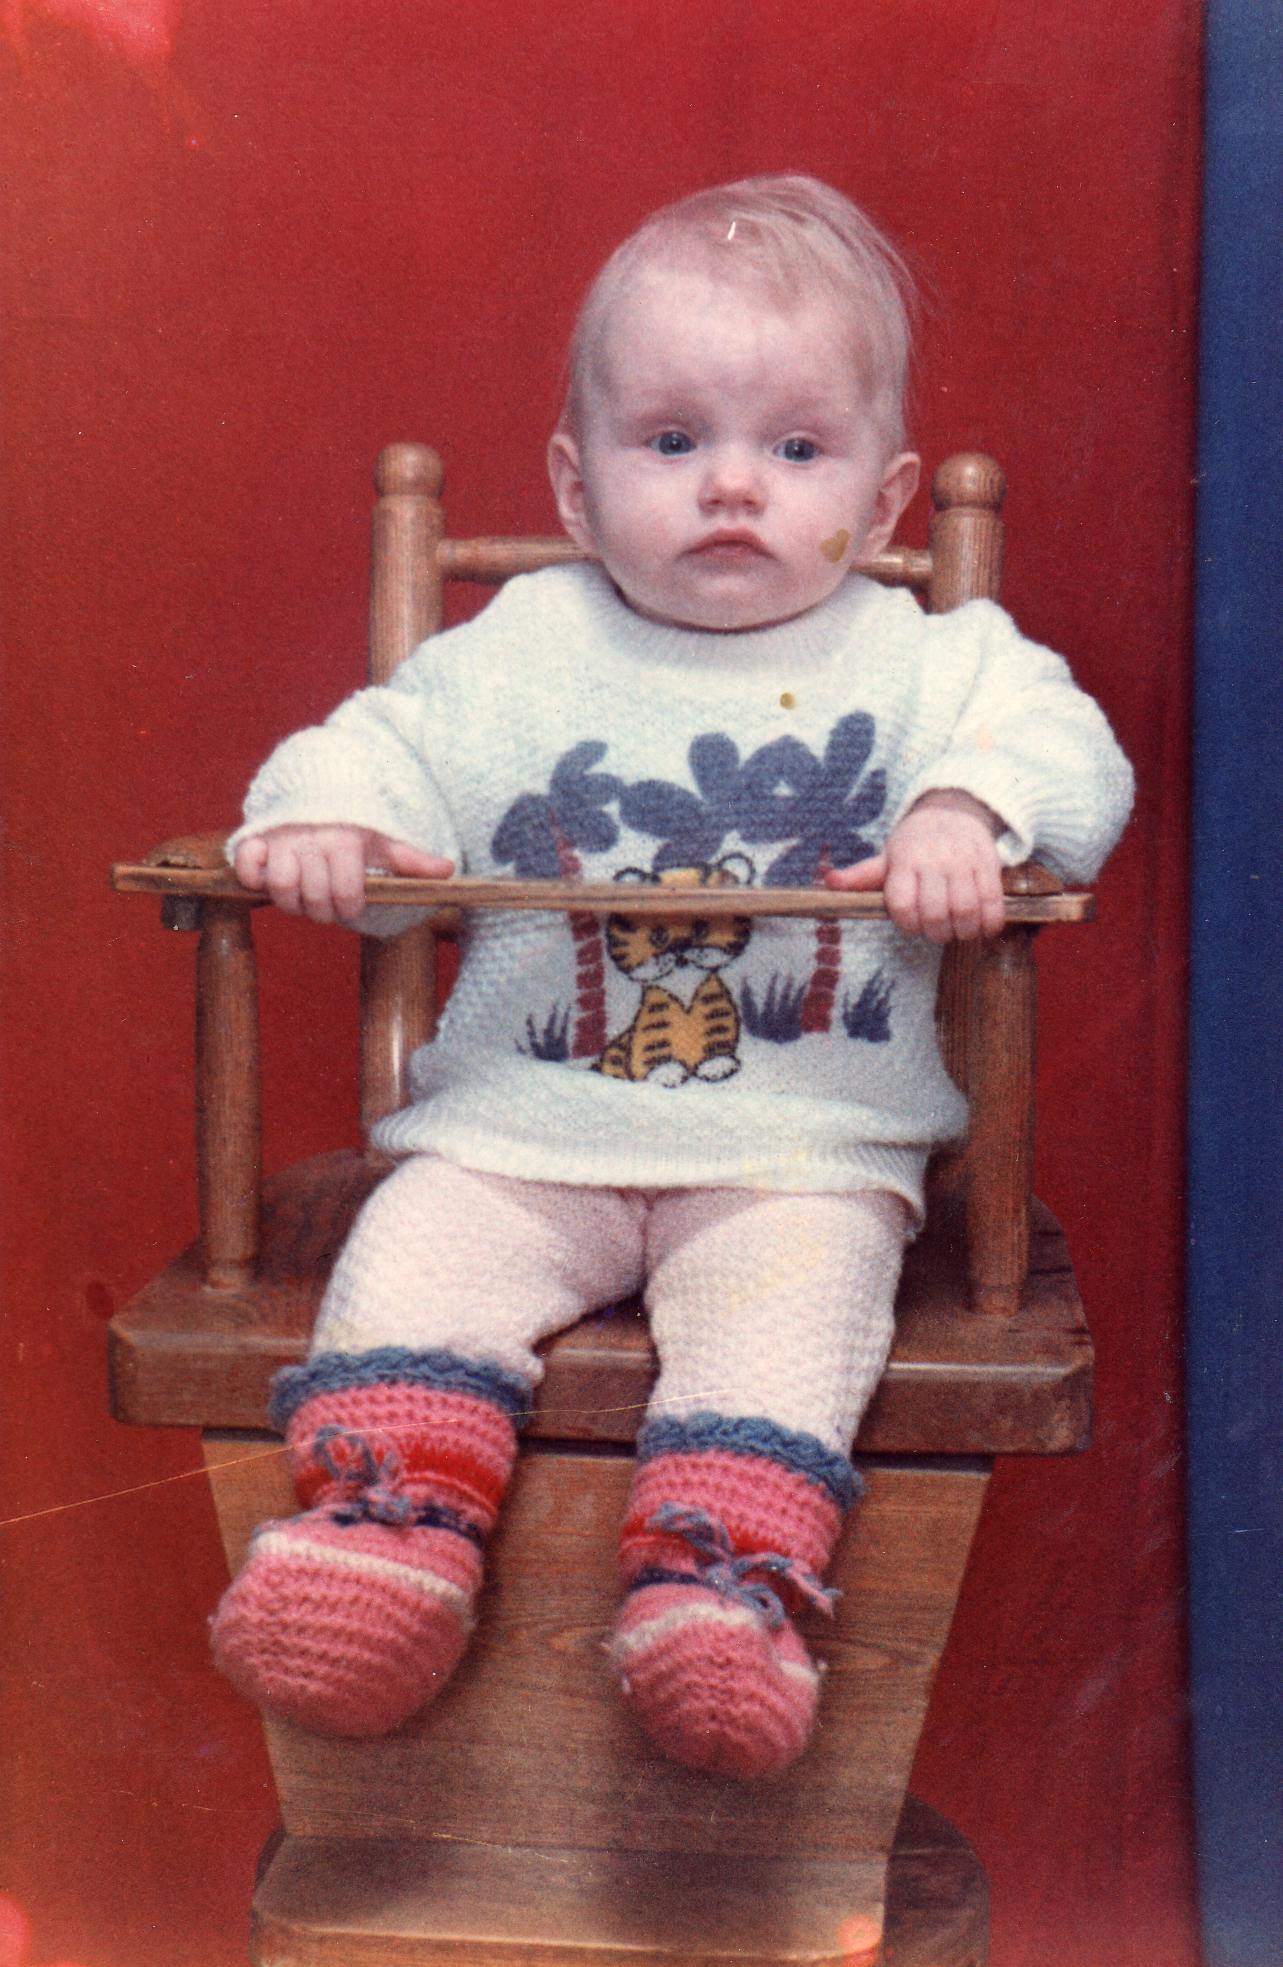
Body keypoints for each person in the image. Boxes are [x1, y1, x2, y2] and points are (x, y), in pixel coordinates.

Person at [210, 175, 1134, 1779]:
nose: (732, 486)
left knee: (793, 1318)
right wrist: (328, 821)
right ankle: (384, 1533)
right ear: (576, 488)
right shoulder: (518, 648)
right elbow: (377, 747)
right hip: (520, 1136)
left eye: (797, 449)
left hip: (798, 1154)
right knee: (415, 1253)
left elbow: (1071, 750)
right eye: (671, 440)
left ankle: (720, 1581)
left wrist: (965, 807)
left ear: (888, 498)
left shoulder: (930, 660)